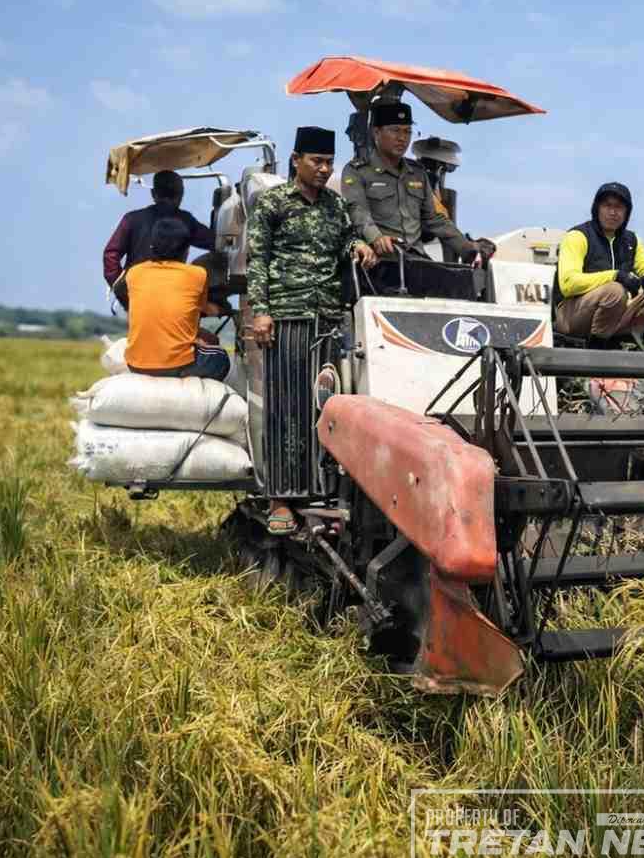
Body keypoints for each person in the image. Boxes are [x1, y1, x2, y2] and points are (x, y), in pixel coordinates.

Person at [247, 125, 375, 535]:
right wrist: (261, 312)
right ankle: (281, 499)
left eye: (328, 163)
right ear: (296, 160)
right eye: (316, 161)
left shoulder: (335, 206)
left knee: (325, 408)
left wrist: (358, 246)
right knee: (285, 407)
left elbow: (345, 241)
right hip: (287, 317)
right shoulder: (273, 203)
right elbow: (257, 259)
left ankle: (321, 493)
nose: (323, 169)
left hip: (328, 320)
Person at [341, 102, 493, 264]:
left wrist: (468, 249)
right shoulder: (357, 171)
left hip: (417, 260)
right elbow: (358, 212)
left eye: (407, 131)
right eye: (395, 130)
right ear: (376, 132)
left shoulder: (417, 173)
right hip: (380, 261)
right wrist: (376, 237)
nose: (402, 138)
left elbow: (435, 219)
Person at [554, 182, 644, 345]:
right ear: (597, 208)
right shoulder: (577, 236)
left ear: (627, 213)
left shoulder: (632, 240)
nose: (612, 212)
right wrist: (615, 276)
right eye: (607, 205)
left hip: (615, 315)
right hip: (571, 315)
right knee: (615, 291)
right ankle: (598, 344)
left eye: (619, 207)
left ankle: (627, 336)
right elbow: (568, 284)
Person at [124, 218, 230, 380]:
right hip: (178, 365)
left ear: (151, 246)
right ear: (186, 250)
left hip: (135, 364)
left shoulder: (134, 273)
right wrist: (225, 310)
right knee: (221, 357)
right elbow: (205, 309)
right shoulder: (197, 274)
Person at [103, 170, 214, 310]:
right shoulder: (187, 221)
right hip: (172, 296)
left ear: (153, 194)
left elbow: (110, 256)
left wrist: (124, 294)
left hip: (138, 296)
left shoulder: (131, 219)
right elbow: (215, 243)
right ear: (181, 195)